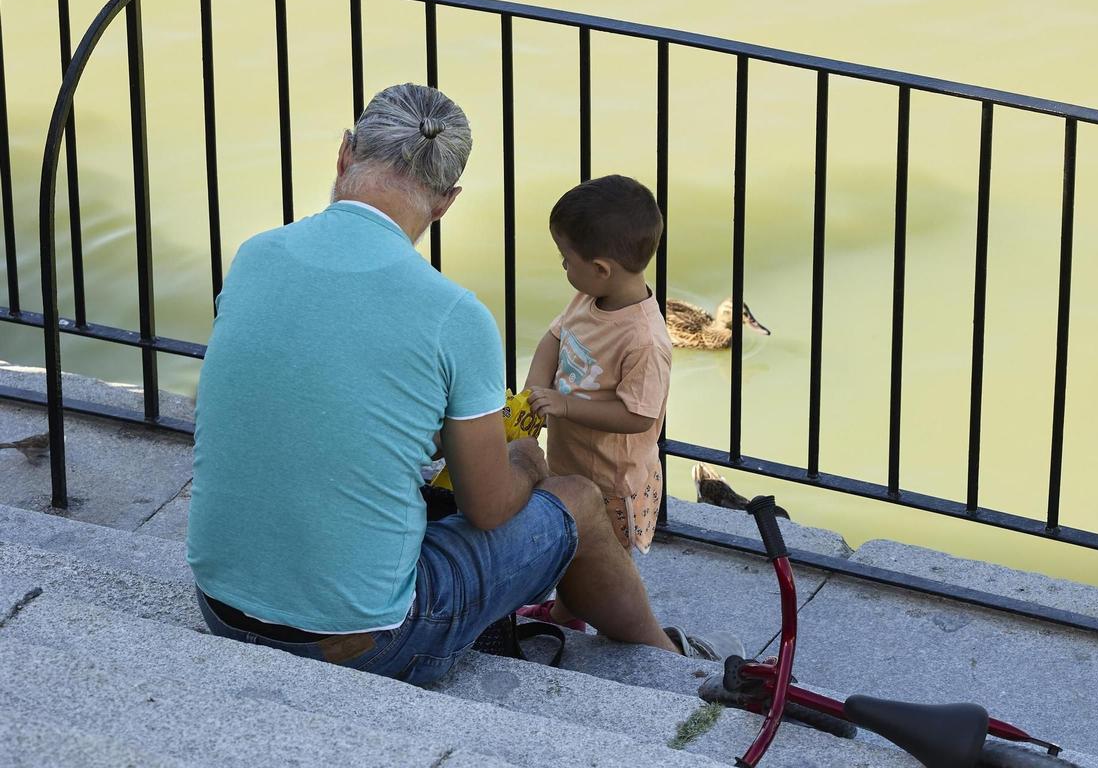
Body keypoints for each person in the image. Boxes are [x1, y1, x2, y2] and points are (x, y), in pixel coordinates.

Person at [186, 84, 725, 687]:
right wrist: (521, 458)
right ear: (446, 201)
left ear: (344, 155)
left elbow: (256, 404)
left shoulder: (256, 255)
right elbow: (488, 507)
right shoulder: (454, 315)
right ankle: (671, 669)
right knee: (577, 498)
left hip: (221, 606)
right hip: (364, 641)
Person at [519, 175, 742, 660]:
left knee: (604, 559)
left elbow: (639, 416)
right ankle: (566, 612)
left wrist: (563, 405)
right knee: (573, 546)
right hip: (573, 461)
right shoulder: (589, 298)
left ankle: (636, 642)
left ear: (600, 267)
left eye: (565, 258)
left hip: (613, 478)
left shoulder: (644, 341)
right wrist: (535, 392)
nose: (561, 266)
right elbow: (554, 339)